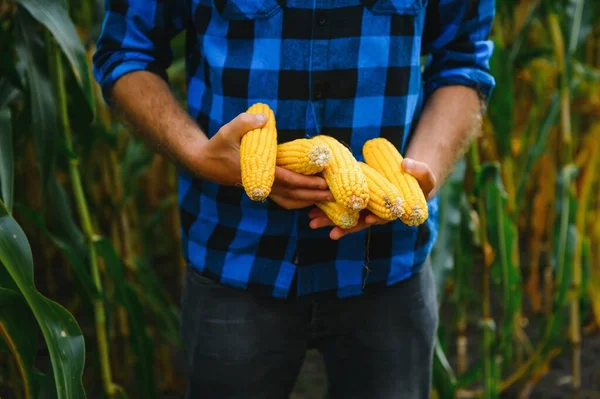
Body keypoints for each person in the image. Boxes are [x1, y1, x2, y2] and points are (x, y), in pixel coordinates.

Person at [93, 1, 495, 398]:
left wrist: (419, 173)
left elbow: (463, 59)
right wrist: (198, 154)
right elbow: (127, 52)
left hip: (387, 261)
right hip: (236, 251)